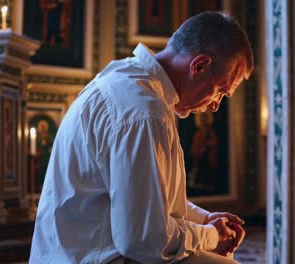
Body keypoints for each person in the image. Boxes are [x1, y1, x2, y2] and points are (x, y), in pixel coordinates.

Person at [30, 11, 253, 264]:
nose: (215, 106)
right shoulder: (144, 112)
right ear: (199, 66)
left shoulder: (131, 82)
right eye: (221, 92)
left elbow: (151, 198)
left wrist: (205, 220)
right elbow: (144, 239)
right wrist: (212, 236)